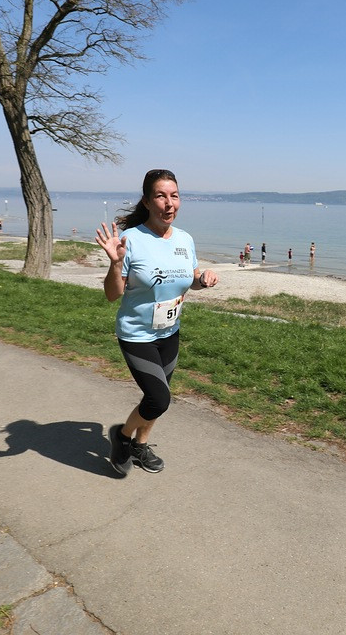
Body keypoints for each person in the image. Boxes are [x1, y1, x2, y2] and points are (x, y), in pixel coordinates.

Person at [95, 169, 218, 476]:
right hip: (137, 334)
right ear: (148, 202)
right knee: (160, 399)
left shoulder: (185, 239)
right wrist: (114, 264)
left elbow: (189, 280)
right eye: (161, 196)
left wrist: (203, 279)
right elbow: (113, 294)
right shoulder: (131, 239)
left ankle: (140, 445)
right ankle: (122, 436)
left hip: (169, 331)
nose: (169, 203)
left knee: (155, 397)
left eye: (174, 196)